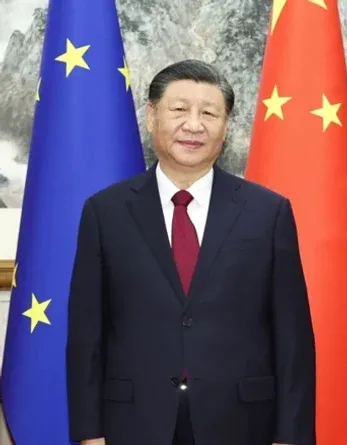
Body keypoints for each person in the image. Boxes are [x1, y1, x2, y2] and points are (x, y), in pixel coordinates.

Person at [66, 59, 316, 445]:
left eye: (209, 113)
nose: (194, 125)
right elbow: (87, 334)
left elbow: (292, 337)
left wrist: (290, 436)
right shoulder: (105, 212)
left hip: (242, 424)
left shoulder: (268, 212)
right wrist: (89, 434)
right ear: (152, 116)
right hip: (132, 423)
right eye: (180, 109)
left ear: (226, 126)